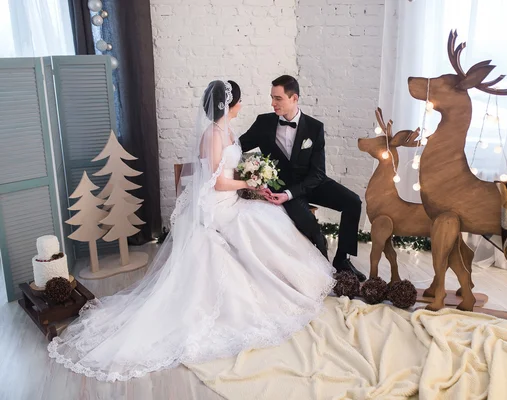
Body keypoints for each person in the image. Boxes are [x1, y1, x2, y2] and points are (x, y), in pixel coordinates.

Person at [48, 80, 336, 382]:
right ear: (229, 104)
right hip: (218, 205)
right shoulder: (212, 136)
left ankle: (290, 279)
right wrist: (248, 183)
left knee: (271, 218)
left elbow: (233, 169)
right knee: (258, 224)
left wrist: (255, 178)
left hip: (232, 199)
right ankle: (272, 287)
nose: (242, 105)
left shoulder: (229, 131)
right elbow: (217, 182)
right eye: (239, 101)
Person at [240, 75, 366, 282]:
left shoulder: (315, 128)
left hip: (311, 183)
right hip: (282, 187)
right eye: (272, 97)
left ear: (294, 98)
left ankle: (342, 259)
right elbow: (237, 147)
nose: (273, 103)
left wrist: (292, 193)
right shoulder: (264, 123)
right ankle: (325, 274)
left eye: (278, 98)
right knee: (313, 229)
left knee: (353, 202)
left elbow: (318, 173)